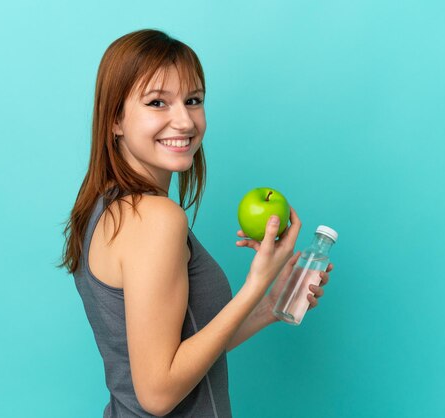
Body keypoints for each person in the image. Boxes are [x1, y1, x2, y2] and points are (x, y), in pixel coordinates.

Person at [58, 28, 334, 417]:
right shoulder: (155, 218)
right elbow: (157, 394)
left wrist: (270, 304)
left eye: (193, 100)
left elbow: (182, 352)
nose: (184, 121)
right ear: (115, 119)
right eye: (157, 102)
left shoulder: (107, 208)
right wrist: (254, 285)